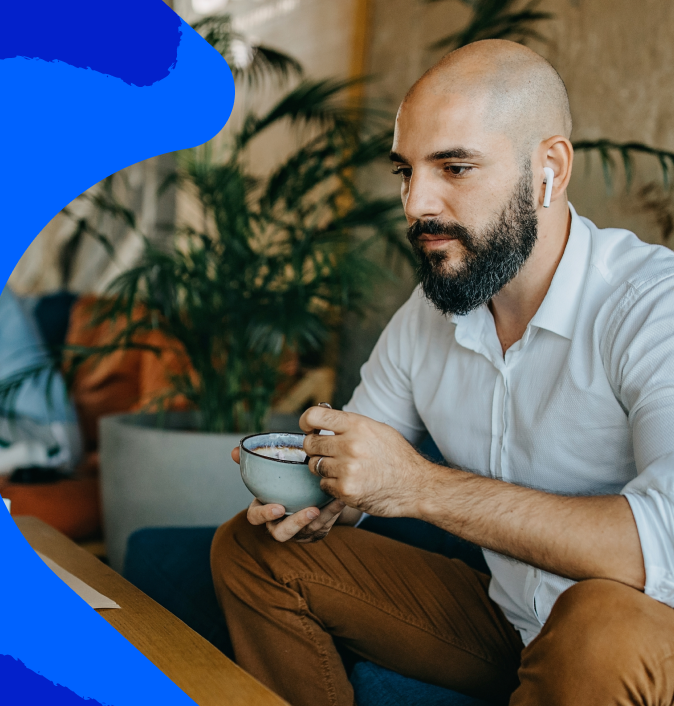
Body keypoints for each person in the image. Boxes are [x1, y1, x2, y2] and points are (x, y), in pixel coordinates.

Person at [211, 39, 674, 706]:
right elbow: (358, 461)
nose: (416, 204)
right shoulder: (428, 316)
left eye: (454, 168)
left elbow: (660, 545)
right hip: (508, 622)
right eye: (404, 171)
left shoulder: (651, 305)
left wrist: (417, 487)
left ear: (548, 168)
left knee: (596, 625)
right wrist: (314, 498)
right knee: (253, 550)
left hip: (639, 629)